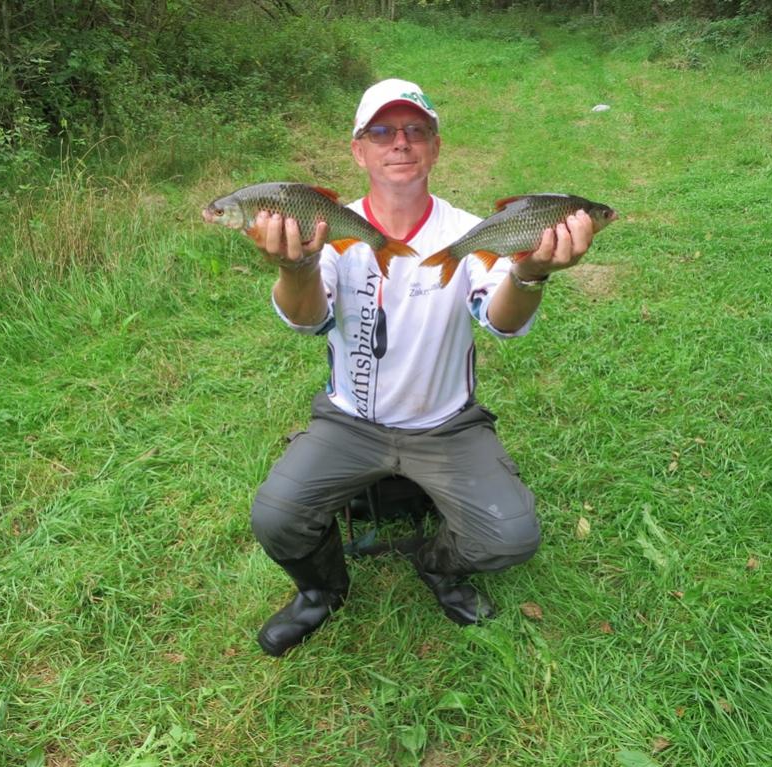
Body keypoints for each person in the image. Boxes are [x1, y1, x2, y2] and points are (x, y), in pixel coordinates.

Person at [248, 78, 598, 657]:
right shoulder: (327, 225)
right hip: (350, 421)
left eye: (416, 130)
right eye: (381, 132)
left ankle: (437, 564)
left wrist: (530, 272)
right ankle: (321, 591)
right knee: (275, 517)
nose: (400, 142)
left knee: (511, 536)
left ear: (435, 148)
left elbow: (502, 321)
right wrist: (297, 267)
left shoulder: (468, 233)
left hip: (446, 424)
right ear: (358, 151)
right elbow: (307, 320)